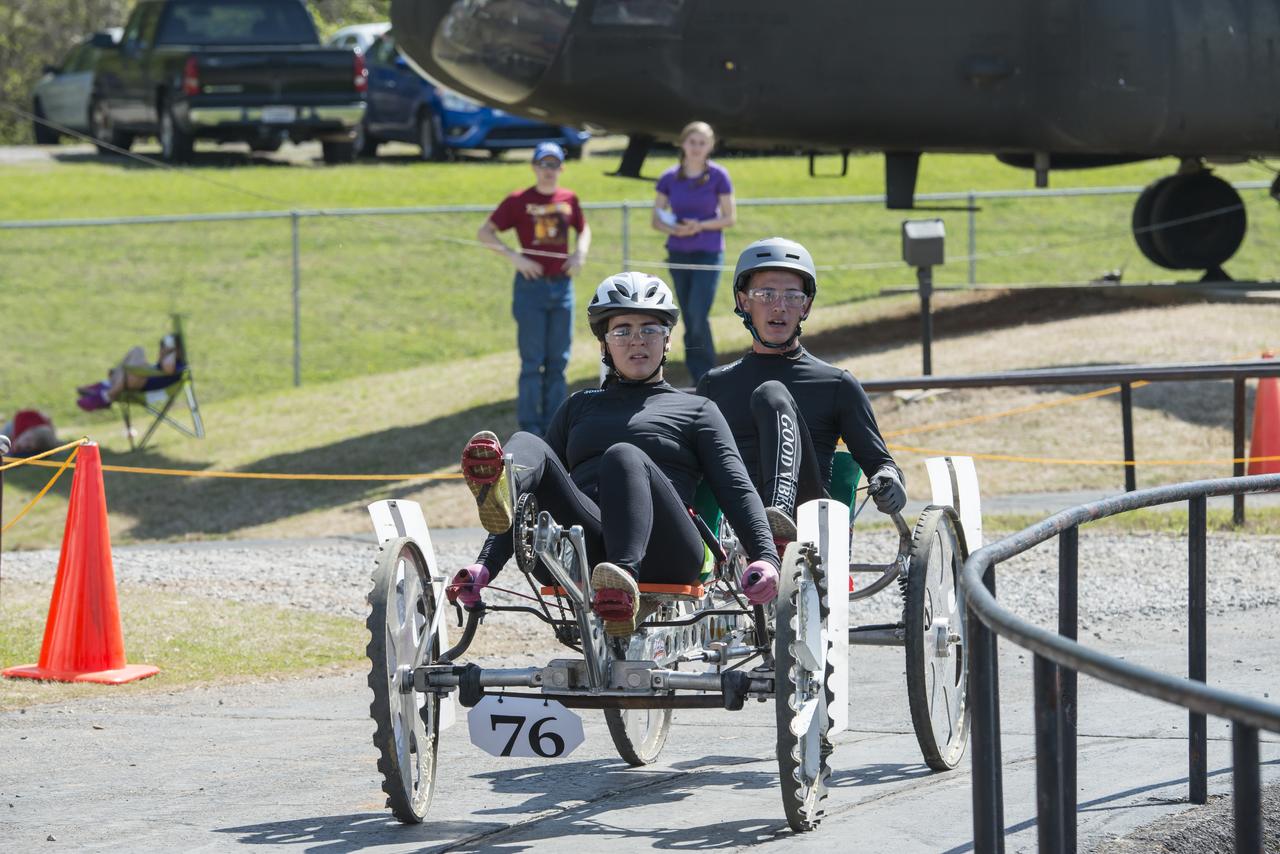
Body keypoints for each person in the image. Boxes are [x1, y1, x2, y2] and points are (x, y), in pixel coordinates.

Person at [448, 271, 779, 637]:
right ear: (605, 344)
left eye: (649, 330)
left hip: (666, 550)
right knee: (529, 443)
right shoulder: (578, 407)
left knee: (624, 456)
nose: (637, 341)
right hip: (584, 545)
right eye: (622, 331)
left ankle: (623, 583)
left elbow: (737, 489)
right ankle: (495, 482)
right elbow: (529, 496)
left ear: (667, 340)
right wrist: (485, 567)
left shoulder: (697, 410)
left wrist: (766, 556)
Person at [695, 237, 906, 546]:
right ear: (743, 302)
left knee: (771, 395)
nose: (779, 306)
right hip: (735, 524)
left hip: (809, 520)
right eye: (765, 294)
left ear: (805, 305)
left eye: (792, 296)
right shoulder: (716, 384)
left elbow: (881, 462)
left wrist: (889, 478)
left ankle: (778, 520)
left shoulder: (837, 384)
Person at [478, 141, 592, 436]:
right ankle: (530, 427)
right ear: (534, 167)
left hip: (562, 287)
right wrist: (516, 258)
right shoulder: (518, 200)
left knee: (558, 361)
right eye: (544, 164)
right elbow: (484, 232)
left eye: (554, 164)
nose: (549, 170)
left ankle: (554, 424)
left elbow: (584, 229)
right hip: (531, 289)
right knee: (532, 362)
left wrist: (580, 252)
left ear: (561, 168)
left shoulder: (569, 198)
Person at [651, 121, 736, 383]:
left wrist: (700, 225)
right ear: (683, 144)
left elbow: (729, 218)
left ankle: (705, 374)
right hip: (678, 253)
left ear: (710, 146)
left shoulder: (719, 176)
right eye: (692, 142)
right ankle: (696, 371)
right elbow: (656, 219)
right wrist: (674, 230)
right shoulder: (668, 177)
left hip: (708, 254)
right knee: (688, 315)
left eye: (702, 143)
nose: (697, 148)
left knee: (698, 313)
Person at [76, 334, 185, 412]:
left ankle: (107, 394)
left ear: (177, 350)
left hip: (144, 384)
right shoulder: (168, 360)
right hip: (140, 380)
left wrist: (171, 352)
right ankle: (106, 389)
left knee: (139, 352)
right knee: (137, 350)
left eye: (164, 347)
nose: (161, 350)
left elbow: (168, 369)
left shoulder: (178, 364)